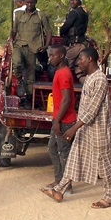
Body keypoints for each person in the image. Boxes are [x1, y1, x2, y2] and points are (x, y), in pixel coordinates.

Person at [40, 48, 111, 209]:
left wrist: (74, 127)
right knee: (74, 158)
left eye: (81, 59)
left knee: (104, 164)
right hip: (85, 127)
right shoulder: (89, 78)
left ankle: (109, 197)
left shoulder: (100, 79)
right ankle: (59, 190)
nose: (78, 62)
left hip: (97, 129)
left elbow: (93, 109)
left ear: (90, 59)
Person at [10, 0, 52, 107]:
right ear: (25, 2)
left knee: (30, 78)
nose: (29, 4)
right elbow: (14, 31)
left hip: (33, 49)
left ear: (36, 2)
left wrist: (46, 46)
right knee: (17, 63)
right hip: (19, 45)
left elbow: (48, 31)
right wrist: (10, 41)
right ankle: (19, 81)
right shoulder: (18, 15)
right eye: (27, 2)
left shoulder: (40, 15)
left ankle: (28, 99)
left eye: (32, 2)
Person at [45, 45, 77, 191]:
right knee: (52, 148)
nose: (51, 58)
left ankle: (66, 185)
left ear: (62, 56)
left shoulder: (63, 73)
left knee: (64, 152)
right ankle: (59, 179)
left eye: (53, 55)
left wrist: (57, 121)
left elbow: (66, 99)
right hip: (58, 118)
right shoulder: (60, 72)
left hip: (64, 120)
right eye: (50, 55)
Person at [59, 0, 89, 82]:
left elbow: (65, 27)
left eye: (75, 0)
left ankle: (63, 88)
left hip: (74, 46)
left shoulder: (74, 12)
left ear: (80, 1)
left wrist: (62, 33)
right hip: (82, 45)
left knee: (61, 65)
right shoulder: (85, 13)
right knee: (79, 69)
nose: (72, 2)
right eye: (71, 0)